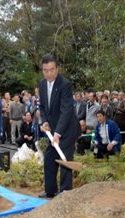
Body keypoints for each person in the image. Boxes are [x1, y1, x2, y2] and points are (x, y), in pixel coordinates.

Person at [38, 54, 80, 198]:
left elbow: (66, 110)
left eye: (52, 69)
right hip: (53, 130)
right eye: (46, 70)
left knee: (64, 161)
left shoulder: (65, 84)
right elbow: (43, 107)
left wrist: (58, 133)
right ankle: (50, 191)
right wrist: (44, 121)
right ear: (42, 70)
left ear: (57, 68)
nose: (49, 73)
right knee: (49, 158)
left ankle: (65, 194)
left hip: (67, 130)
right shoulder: (42, 84)